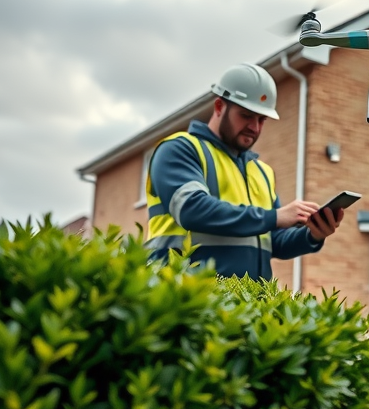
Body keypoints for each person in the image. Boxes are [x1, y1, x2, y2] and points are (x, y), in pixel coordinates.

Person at [143, 63, 343, 280]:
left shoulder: (262, 172)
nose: (255, 127)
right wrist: (276, 216)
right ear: (219, 107)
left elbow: (274, 241)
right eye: (246, 115)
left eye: (261, 119)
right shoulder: (179, 149)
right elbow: (191, 209)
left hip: (246, 307)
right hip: (186, 297)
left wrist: (312, 235)